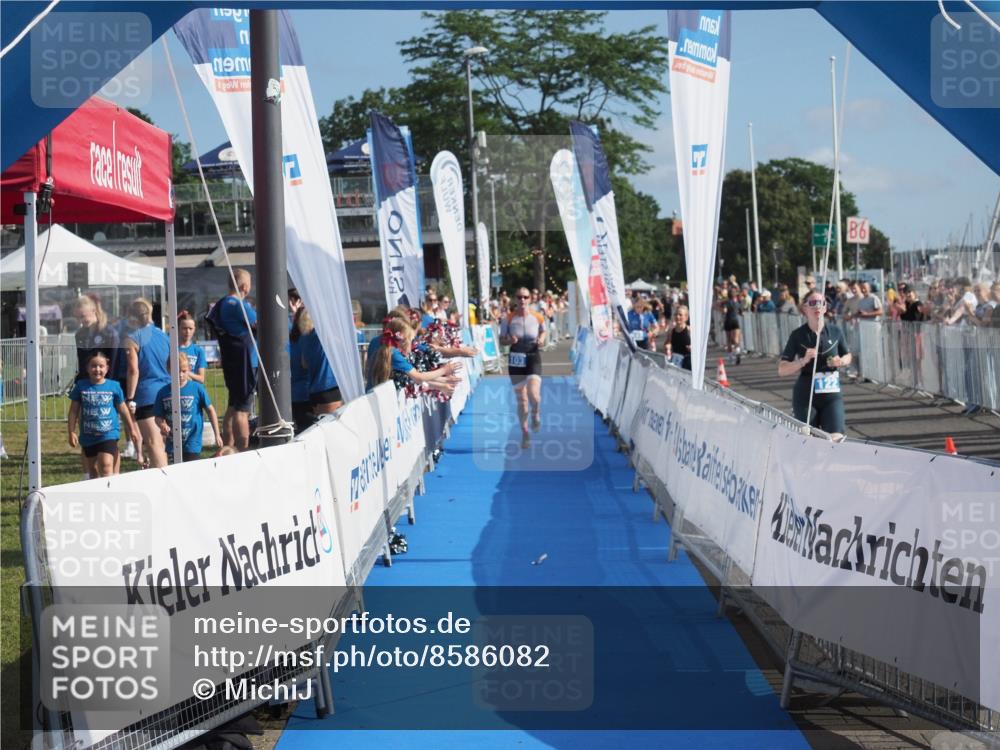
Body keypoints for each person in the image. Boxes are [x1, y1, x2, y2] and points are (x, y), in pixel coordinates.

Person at [778, 290, 852, 439]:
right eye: (812, 303)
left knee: (836, 438)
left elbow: (848, 355)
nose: (817, 306)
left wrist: (841, 361)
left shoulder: (835, 331)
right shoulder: (798, 335)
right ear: (805, 308)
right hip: (806, 394)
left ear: (825, 308)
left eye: (821, 303)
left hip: (832, 393)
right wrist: (802, 361)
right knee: (809, 439)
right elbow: (782, 370)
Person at [68, 351, 143, 478]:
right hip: (88, 435)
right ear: (87, 368)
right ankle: (99, 493)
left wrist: (132, 429)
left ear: (107, 369)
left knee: (106, 465)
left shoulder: (113, 386)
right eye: (93, 366)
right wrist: (71, 431)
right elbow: (73, 411)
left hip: (108, 433)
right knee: (93, 471)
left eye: (101, 366)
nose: (97, 369)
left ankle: (111, 485)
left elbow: (123, 409)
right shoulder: (81, 386)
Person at [209, 269, 258, 451]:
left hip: (233, 361)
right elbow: (260, 323)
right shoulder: (238, 304)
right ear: (245, 286)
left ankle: (227, 448)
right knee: (242, 410)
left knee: (233, 406)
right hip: (245, 363)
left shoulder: (222, 303)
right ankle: (242, 450)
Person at [124, 298, 171, 468]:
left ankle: (164, 486)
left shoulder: (132, 338)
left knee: (153, 444)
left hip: (147, 395)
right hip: (168, 390)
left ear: (131, 317)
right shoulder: (164, 335)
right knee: (163, 445)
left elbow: (133, 370)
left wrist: (129, 398)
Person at [499, 287, 546, 449]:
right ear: (515, 299)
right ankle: (525, 432)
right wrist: (509, 341)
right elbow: (501, 340)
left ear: (530, 299)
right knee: (522, 400)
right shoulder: (508, 319)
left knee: (534, 394)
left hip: (533, 357)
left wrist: (541, 339)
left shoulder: (538, 316)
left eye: (525, 297)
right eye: (519, 297)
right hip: (516, 359)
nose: (522, 300)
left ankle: (535, 414)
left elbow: (544, 332)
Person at [153, 352, 221, 463]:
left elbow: (210, 410)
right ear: (169, 370)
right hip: (172, 443)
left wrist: (217, 434)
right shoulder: (163, 392)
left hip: (192, 442)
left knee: (190, 473)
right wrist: (162, 425)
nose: (180, 375)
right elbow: (157, 417)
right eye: (176, 371)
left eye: (184, 371)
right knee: (175, 474)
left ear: (189, 369)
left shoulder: (197, 388)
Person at [298, 308, 343, 416]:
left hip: (314, 391)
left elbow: (304, 364)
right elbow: (340, 344)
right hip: (329, 388)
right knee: (332, 428)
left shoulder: (303, 338)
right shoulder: (322, 335)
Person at [71, 294, 120, 383]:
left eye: (83, 316)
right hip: (86, 384)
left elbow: (113, 364)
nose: (80, 321)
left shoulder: (109, 333)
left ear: (94, 311)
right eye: (77, 318)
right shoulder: (80, 335)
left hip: (105, 385)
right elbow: (81, 363)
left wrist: (107, 385)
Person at [288, 307, 313, 433]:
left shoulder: (289, 342)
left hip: (294, 394)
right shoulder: (308, 340)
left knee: (300, 431)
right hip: (308, 392)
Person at [177, 311, 207, 384]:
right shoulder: (172, 349)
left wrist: (186, 373)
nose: (187, 331)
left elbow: (201, 379)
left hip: (193, 391)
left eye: (190, 328)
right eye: (184, 328)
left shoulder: (198, 351)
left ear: (194, 329)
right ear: (178, 328)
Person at [663, 305, 692, 370]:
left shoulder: (690, 330)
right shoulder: (671, 331)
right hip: (676, 361)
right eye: (676, 314)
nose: (677, 317)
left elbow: (698, 347)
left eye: (680, 315)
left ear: (686, 317)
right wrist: (667, 346)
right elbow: (667, 344)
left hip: (688, 361)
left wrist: (692, 347)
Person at [720, 288, 742, 364]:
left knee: (729, 340)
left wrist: (722, 310)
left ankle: (730, 358)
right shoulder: (737, 302)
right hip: (735, 320)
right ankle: (738, 351)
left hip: (728, 321)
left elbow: (724, 311)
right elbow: (740, 312)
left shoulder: (725, 302)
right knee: (736, 339)